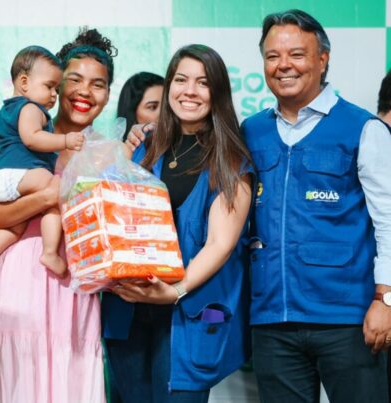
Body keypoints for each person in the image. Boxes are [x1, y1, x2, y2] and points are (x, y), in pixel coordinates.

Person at [0, 27, 116, 403]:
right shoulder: (21, 139)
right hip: (17, 275)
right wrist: (48, 196)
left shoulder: (111, 154)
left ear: (109, 94)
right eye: (73, 80)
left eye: (98, 84)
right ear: (54, 87)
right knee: (13, 382)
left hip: (74, 284)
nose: (84, 92)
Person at [242, 9, 391, 403]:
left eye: (296, 54)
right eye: (272, 56)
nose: (283, 66)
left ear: (323, 59)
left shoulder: (363, 129)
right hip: (272, 320)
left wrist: (386, 299)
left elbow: (389, 220)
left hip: (348, 320)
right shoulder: (249, 131)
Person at [109, 44, 253, 403]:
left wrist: (174, 291)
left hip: (185, 312)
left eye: (203, 83)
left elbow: (221, 243)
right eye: (181, 79)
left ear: (217, 92)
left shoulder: (230, 159)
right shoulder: (143, 146)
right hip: (127, 310)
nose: (189, 91)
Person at [0, 45, 85, 288]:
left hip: (0, 180)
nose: (54, 94)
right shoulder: (32, 109)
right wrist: (65, 140)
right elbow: (32, 138)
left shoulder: (3, 113)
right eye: (49, 86)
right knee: (58, 189)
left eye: (57, 88)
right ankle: (50, 252)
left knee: (15, 227)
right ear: (24, 82)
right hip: (20, 174)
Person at [116, 71, 164, 141]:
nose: (164, 113)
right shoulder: (118, 150)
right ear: (132, 113)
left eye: (167, 105)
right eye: (152, 107)